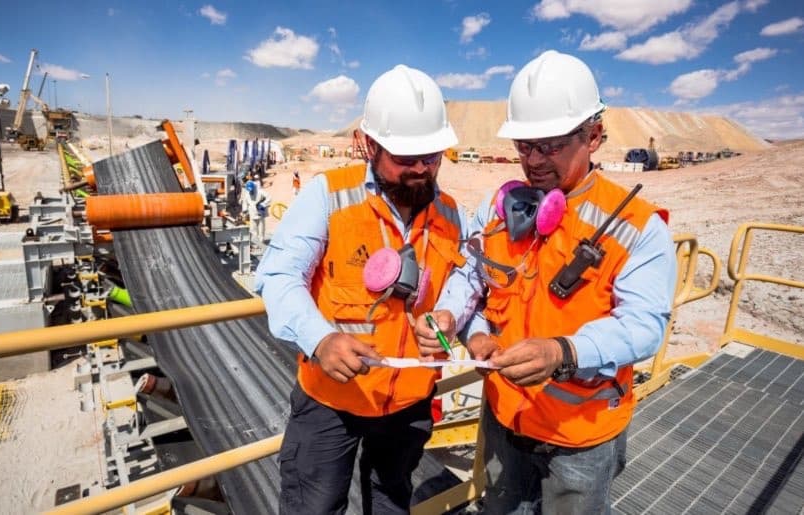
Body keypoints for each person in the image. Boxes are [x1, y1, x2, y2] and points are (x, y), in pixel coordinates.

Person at [414, 50, 677, 514]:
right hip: (503, 418)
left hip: (579, 435)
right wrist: (460, 322)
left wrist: (561, 352)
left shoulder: (636, 228)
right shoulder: (499, 211)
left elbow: (644, 327)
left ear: (593, 136)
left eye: (549, 145)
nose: (532, 160)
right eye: (523, 145)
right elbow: (471, 275)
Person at [255, 64, 469, 514]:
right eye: (405, 158)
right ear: (369, 144)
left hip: (408, 403)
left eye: (431, 157)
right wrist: (320, 339)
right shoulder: (328, 197)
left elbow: (462, 283)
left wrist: (449, 316)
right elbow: (278, 276)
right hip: (330, 403)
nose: (420, 170)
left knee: (392, 504)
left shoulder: (451, 216)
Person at [240, 178, 270, 250]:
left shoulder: (260, 192)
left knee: (261, 228)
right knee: (253, 229)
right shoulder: (247, 194)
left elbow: (269, 197)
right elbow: (245, 202)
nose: (251, 192)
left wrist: (263, 204)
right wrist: (244, 210)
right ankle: (255, 243)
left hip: (260, 213)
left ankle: (261, 242)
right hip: (252, 213)